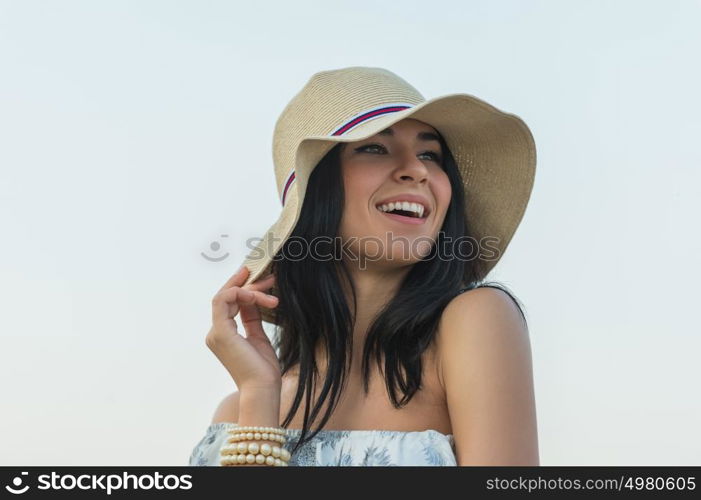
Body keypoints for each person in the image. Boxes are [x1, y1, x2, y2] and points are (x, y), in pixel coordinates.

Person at [189, 66, 539, 466]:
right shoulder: (238, 411)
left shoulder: (476, 320)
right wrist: (259, 397)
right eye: (374, 147)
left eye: (431, 154)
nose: (419, 169)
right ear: (316, 192)